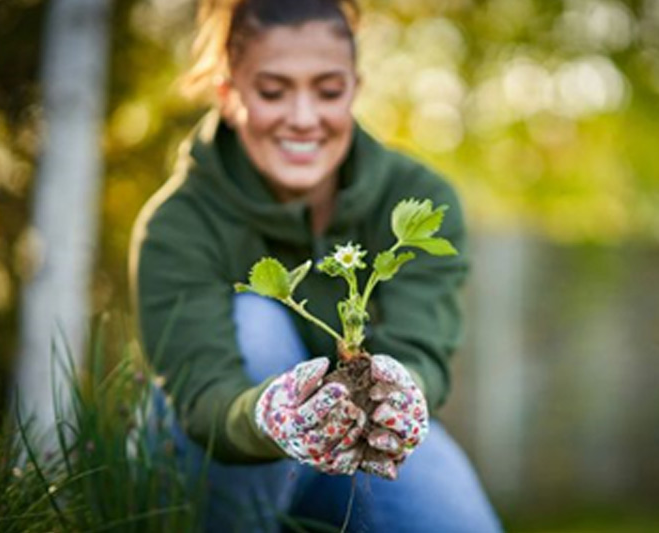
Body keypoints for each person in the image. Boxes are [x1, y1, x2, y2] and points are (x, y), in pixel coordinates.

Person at [128, 0, 501, 531]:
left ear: (354, 87)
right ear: (228, 94)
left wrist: (402, 388)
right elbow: (204, 399)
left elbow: (423, 354)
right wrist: (269, 418)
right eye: (273, 92)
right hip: (219, 457)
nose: (303, 119)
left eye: (327, 91)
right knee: (257, 322)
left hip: (361, 448)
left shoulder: (416, 196)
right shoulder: (178, 224)